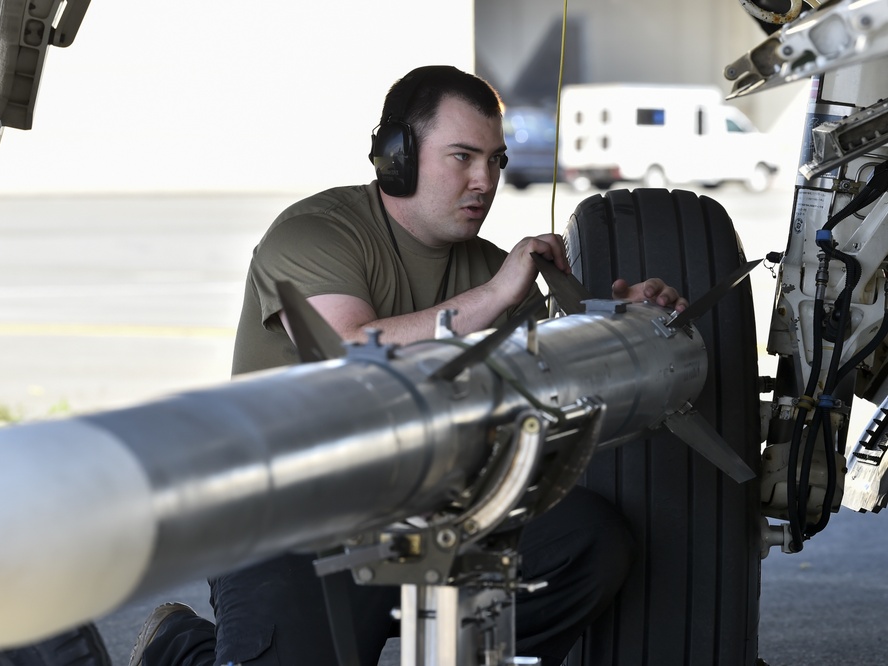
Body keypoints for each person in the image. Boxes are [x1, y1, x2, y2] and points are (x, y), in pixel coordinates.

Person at [128, 65, 687, 666]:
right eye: (463, 157)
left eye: (496, 161)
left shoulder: (498, 274)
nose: (485, 181)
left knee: (588, 543)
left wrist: (621, 324)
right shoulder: (315, 235)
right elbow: (346, 353)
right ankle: (179, 649)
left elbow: (564, 377)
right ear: (397, 155)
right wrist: (496, 297)